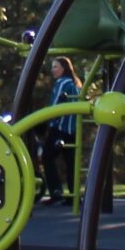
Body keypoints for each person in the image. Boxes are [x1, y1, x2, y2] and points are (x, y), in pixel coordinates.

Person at [37, 57, 82, 203]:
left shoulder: (62, 83)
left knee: (47, 157)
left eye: (55, 67)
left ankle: (56, 191)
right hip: (74, 129)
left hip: (60, 128)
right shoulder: (77, 84)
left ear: (63, 68)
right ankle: (74, 197)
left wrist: (44, 122)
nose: (52, 70)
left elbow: (55, 106)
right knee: (71, 163)